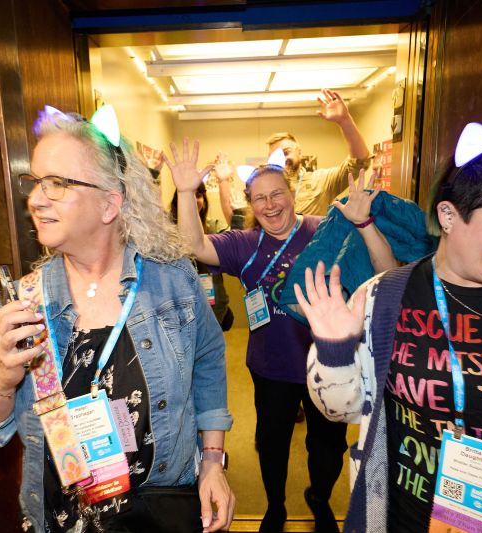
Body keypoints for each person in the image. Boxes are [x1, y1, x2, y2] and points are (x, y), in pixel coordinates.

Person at [295, 124, 482, 532]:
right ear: (448, 215)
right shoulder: (382, 298)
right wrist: (335, 349)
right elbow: (341, 409)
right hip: (413, 519)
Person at [0, 106, 234, 533]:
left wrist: (214, 463)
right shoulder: (28, 300)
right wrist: (1, 375)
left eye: (57, 184)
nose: (35, 199)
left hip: (161, 509)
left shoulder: (173, 279)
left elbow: (208, 360)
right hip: (65, 517)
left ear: (110, 203)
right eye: (34, 183)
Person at [166, 138, 398, 533]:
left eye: (277, 194)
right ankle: (275, 506)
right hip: (271, 367)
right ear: (250, 205)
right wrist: (186, 192)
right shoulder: (244, 244)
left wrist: (365, 223)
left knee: (327, 448)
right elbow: (194, 245)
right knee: (271, 444)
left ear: (293, 195)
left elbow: (386, 272)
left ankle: (319, 498)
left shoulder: (326, 231)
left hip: (329, 366)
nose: (270, 205)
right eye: (260, 199)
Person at [216, 88, 371, 224]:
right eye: (275, 156)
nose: (282, 160)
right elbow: (237, 221)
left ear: (299, 151)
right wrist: (223, 181)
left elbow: (360, 162)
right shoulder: (263, 190)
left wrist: (345, 121)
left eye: (286, 152)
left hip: (313, 254)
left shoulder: (321, 181)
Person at [170, 182, 234, 331]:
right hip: (181, 316)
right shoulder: (168, 232)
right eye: (188, 195)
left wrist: (223, 182)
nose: (193, 200)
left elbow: (236, 231)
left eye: (198, 195)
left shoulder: (213, 227)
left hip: (215, 312)